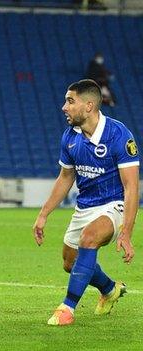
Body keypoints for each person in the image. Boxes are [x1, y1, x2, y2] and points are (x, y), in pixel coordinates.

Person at [32, 79, 138, 326]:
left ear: (89, 105)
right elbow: (65, 177)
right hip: (85, 206)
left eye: (70, 101)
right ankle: (110, 289)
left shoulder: (118, 135)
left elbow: (131, 187)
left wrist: (127, 232)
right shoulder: (69, 137)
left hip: (114, 205)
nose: (64, 107)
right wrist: (43, 214)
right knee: (70, 263)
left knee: (89, 238)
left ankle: (67, 307)